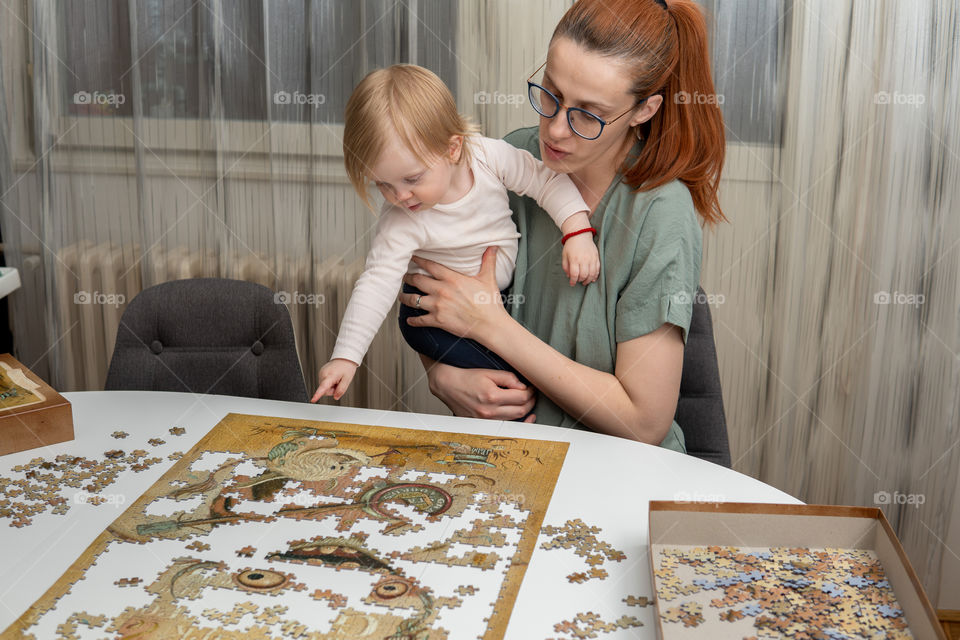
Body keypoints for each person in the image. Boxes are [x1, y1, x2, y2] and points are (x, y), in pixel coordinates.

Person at [402, 0, 725, 452]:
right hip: (508, 459)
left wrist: (492, 327)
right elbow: (434, 286)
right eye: (551, 95)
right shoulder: (513, 160)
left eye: (588, 114)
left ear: (644, 110)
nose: (554, 130)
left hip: (620, 471)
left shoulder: (660, 213)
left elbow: (644, 423)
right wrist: (442, 376)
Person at [311, 65, 601, 402]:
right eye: (382, 185)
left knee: (531, 367)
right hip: (434, 317)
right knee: (517, 385)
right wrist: (346, 357)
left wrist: (577, 232)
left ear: (452, 149)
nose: (399, 196)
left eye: (412, 179)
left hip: (496, 301)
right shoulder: (401, 220)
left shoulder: (487, 156)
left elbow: (545, 181)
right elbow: (376, 283)